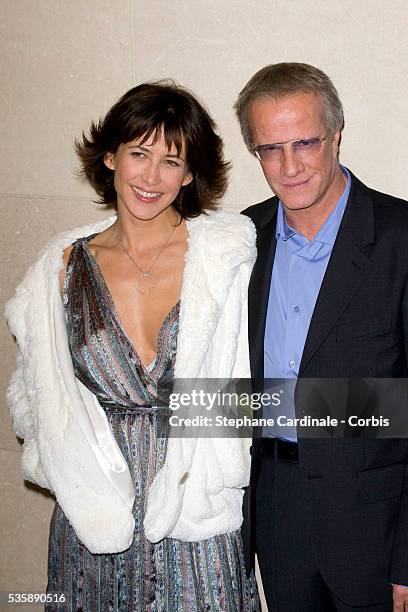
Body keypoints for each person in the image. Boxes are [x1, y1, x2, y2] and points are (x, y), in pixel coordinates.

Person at [5, 81, 260, 611]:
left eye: (171, 161)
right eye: (138, 154)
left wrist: (369, 411)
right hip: (95, 519)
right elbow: (35, 398)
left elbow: (252, 386)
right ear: (110, 158)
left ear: (190, 174)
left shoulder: (226, 260)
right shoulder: (60, 270)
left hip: (197, 512)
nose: (150, 177)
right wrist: (72, 467)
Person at [234, 62, 408, 611]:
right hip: (277, 513)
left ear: (335, 135)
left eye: (305, 142)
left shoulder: (401, 238)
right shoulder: (243, 239)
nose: (289, 166)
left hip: (379, 524)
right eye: (269, 149)